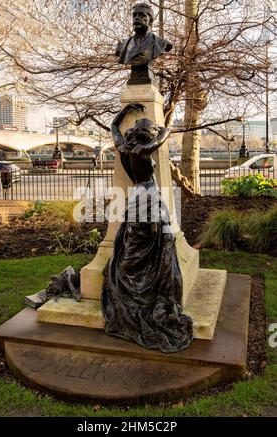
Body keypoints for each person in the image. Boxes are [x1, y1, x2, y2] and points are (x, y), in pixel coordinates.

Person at [101, 103, 193, 353]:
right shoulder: (143, 150)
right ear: (145, 135)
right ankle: (148, 288)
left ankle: (133, 280)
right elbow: (164, 135)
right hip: (149, 196)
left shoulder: (123, 149)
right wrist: (163, 125)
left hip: (135, 198)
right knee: (157, 242)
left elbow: (113, 127)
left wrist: (125, 111)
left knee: (138, 244)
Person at [115, 3, 172, 83]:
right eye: (134, 15)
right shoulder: (122, 44)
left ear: (150, 20)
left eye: (142, 15)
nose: (137, 18)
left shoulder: (160, 43)